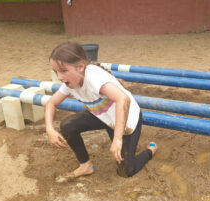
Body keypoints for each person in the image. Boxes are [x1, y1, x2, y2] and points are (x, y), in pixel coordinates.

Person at [45, 42, 157, 179]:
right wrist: (50, 129)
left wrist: (117, 139)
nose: (59, 77)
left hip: (125, 120)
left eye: (63, 70)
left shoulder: (94, 80)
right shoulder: (70, 81)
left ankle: (150, 150)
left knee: (126, 171)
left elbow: (123, 99)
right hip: (102, 115)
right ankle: (85, 165)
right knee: (67, 126)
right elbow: (51, 103)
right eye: (55, 71)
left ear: (80, 67)